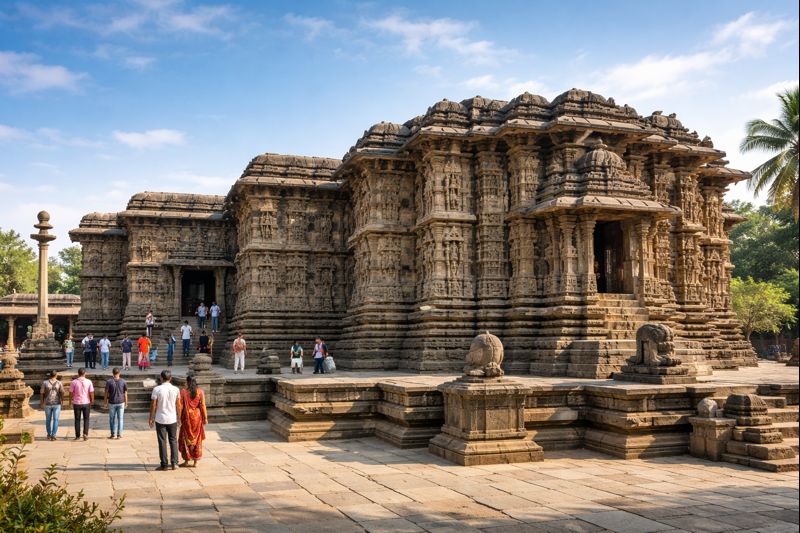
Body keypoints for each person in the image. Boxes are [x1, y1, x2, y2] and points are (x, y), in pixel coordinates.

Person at [149, 370, 182, 471]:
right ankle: (175, 463)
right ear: (170, 378)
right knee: (173, 440)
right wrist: (179, 417)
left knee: (162, 441)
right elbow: (179, 405)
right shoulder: (176, 389)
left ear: (161, 378)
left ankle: (164, 464)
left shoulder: (157, 389)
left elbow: (154, 405)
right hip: (172, 418)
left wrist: (151, 417)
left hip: (161, 418)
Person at [178, 375, 208, 468]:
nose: (184, 384)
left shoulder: (183, 392)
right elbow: (202, 405)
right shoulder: (200, 392)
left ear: (188, 383)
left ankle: (186, 460)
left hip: (186, 418)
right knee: (197, 439)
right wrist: (205, 418)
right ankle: (196, 461)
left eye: (185, 382)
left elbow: (180, 406)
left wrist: (179, 418)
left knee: (185, 438)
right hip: (197, 417)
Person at [69, 368, 94, 441]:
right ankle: (85, 434)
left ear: (78, 373)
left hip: (77, 403)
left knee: (77, 420)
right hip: (86, 402)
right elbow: (91, 392)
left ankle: (77, 436)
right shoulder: (89, 382)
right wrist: (92, 400)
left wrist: (70, 401)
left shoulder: (74, 382)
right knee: (86, 419)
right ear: (85, 373)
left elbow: (71, 393)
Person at [40, 370, 64, 441]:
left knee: (48, 420)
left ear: (50, 375)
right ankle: (53, 435)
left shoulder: (45, 383)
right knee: (56, 419)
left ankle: (49, 434)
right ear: (56, 375)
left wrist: (42, 402)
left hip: (47, 403)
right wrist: (62, 400)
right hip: (57, 403)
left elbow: (42, 393)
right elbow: (62, 392)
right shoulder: (59, 383)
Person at [104, 368, 128, 439]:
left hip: (112, 402)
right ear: (119, 373)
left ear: (112, 373)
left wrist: (105, 402)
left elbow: (106, 393)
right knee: (120, 419)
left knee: (112, 419)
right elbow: (125, 393)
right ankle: (119, 434)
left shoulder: (109, 382)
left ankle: (112, 434)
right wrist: (126, 402)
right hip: (121, 402)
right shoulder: (123, 381)